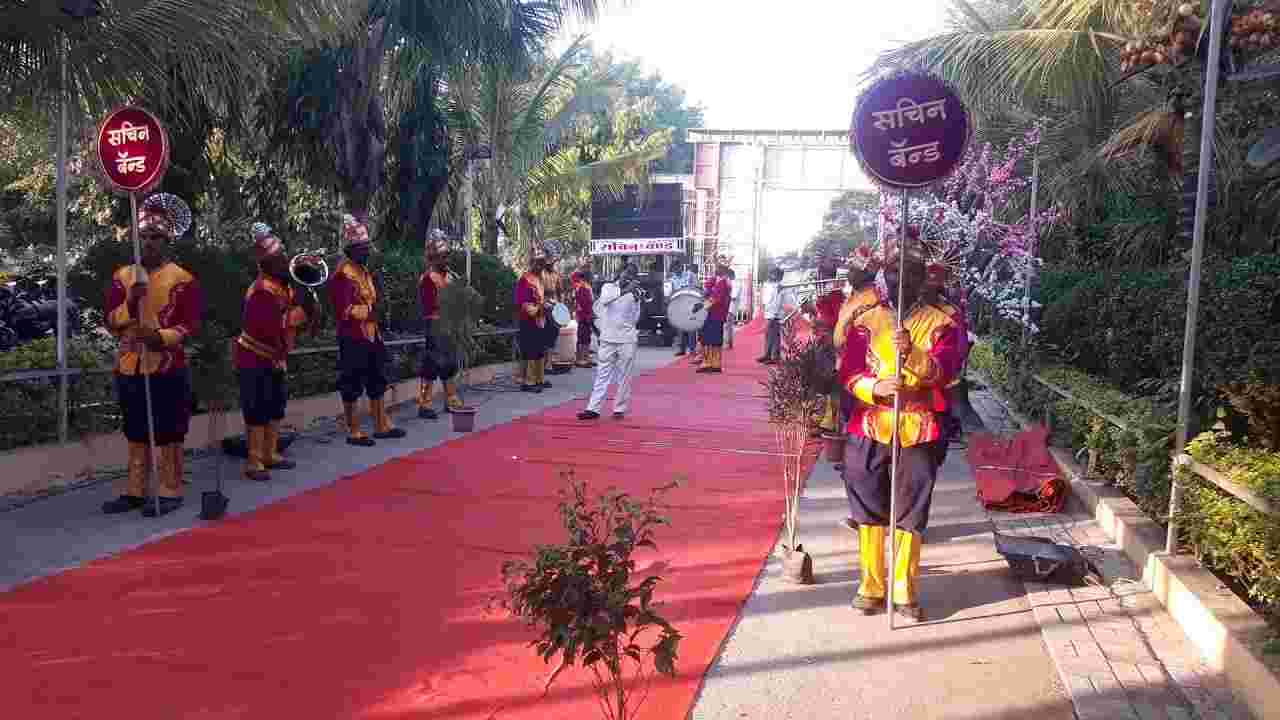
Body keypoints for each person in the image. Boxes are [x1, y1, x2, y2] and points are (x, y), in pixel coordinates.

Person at [840, 236, 964, 622]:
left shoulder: (943, 321)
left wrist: (916, 356)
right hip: (872, 422)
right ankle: (872, 585)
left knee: (911, 509)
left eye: (909, 271)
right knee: (866, 499)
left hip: (918, 423)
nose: (900, 279)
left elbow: (949, 369)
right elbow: (848, 370)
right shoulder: (867, 319)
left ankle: (904, 590)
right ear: (883, 275)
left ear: (923, 277)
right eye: (893, 271)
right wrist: (873, 387)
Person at [102, 193, 204, 517]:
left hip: (167, 366)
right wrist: (130, 303)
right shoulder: (123, 277)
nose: (148, 243)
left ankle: (169, 488)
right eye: (143, 236)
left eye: (156, 237)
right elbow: (110, 320)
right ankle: (135, 490)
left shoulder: (184, 279)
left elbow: (191, 325)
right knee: (135, 430)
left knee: (169, 430)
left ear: (167, 240)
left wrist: (160, 336)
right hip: (131, 365)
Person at [234, 223, 312, 481]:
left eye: (283, 257)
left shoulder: (284, 286)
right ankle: (254, 460)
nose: (285, 262)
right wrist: (298, 315)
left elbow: (298, 318)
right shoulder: (260, 290)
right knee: (256, 406)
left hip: (276, 357)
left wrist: (307, 295)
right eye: (279, 259)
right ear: (265, 264)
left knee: (276, 404)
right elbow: (270, 327)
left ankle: (270, 453)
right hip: (254, 356)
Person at [330, 214, 406, 446]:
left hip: (373, 334)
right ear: (351, 249)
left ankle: (381, 424)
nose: (367, 251)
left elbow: (371, 300)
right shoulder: (343, 274)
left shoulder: (364, 272)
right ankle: (354, 430)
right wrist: (369, 312)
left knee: (377, 378)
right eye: (362, 247)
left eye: (367, 246)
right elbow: (343, 309)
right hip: (352, 336)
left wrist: (380, 308)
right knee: (351, 381)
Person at [577, 263, 641, 421]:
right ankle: (593, 409)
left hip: (627, 338)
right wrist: (626, 291)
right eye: (626, 273)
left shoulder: (636, 293)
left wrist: (636, 298)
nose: (628, 276)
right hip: (608, 338)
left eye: (632, 274)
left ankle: (619, 408)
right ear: (620, 273)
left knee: (624, 376)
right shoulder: (608, 287)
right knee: (602, 375)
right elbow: (605, 300)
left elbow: (636, 317)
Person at [417, 231, 463, 420]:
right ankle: (425, 403)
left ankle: (451, 398)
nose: (446, 260)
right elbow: (429, 307)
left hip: (449, 326)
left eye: (447, 256)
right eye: (442, 256)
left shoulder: (450, 277)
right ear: (433, 258)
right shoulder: (428, 278)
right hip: (435, 325)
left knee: (450, 364)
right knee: (431, 364)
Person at [515, 242, 555, 393]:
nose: (540, 267)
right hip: (528, 320)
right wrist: (539, 308)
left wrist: (547, 304)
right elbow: (524, 303)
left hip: (540, 319)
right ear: (532, 264)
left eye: (542, 264)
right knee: (531, 350)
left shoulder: (539, 279)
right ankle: (529, 381)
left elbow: (541, 298)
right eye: (538, 264)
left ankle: (540, 379)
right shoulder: (525, 279)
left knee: (540, 350)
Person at [697, 255, 733, 374]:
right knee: (714, 338)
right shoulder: (720, 280)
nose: (716, 268)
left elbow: (715, 298)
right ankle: (714, 362)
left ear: (723, 269)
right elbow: (708, 289)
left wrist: (702, 306)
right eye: (717, 266)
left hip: (715, 313)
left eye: (719, 267)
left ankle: (709, 363)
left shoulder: (723, 282)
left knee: (710, 338)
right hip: (716, 313)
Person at [756, 267, 790, 364]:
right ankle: (768, 354)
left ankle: (774, 356)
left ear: (778, 276)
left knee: (774, 335)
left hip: (776, 313)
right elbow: (766, 299)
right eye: (771, 274)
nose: (771, 276)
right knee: (769, 334)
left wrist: (775, 313)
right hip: (769, 312)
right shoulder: (769, 285)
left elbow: (778, 301)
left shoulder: (780, 286)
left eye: (773, 274)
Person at [668, 260, 697, 356]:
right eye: (674, 269)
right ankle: (682, 349)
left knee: (691, 327)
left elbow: (696, 287)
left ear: (681, 267)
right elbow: (672, 291)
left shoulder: (690, 275)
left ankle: (692, 349)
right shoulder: (673, 279)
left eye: (677, 268)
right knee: (680, 328)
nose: (676, 270)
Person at [571, 268, 596, 368]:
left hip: (587, 315)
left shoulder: (586, 287)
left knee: (586, 337)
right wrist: (587, 315)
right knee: (582, 337)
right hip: (583, 316)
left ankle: (585, 357)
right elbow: (582, 304)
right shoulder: (581, 288)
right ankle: (580, 359)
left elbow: (589, 303)